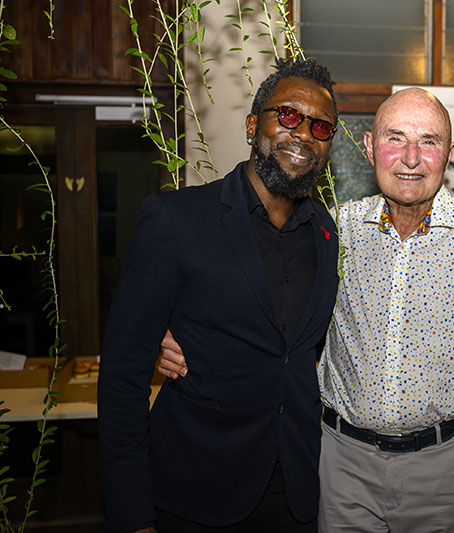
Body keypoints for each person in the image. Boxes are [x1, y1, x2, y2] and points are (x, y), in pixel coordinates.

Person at [159, 88, 454, 531]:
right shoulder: (331, 231)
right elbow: (265, 308)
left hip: (444, 469)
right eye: (396, 139)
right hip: (342, 464)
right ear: (370, 147)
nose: (411, 158)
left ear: (449, 154)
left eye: (428, 141)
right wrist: (178, 330)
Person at [97, 58, 341, 532]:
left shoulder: (324, 233)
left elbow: (295, 353)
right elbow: (123, 375)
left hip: (295, 494)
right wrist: (132, 515)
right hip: (195, 491)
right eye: (288, 115)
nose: (303, 134)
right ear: (253, 125)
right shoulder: (176, 219)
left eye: (320, 127)